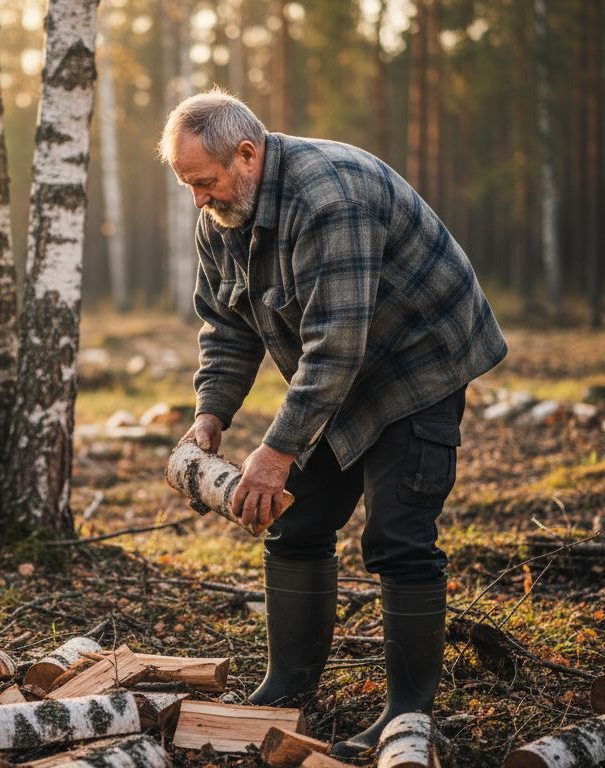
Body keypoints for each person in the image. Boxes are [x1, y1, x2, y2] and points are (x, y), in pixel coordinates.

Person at [159, 90, 507, 756]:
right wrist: (211, 413)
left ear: (247, 155)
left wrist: (276, 452)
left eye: (203, 182)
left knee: (398, 537)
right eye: (187, 185)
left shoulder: (330, 197)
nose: (197, 200)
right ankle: (288, 686)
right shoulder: (223, 216)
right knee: (296, 522)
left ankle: (407, 714)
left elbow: (337, 346)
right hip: (336, 373)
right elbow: (228, 326)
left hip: (418, 362)